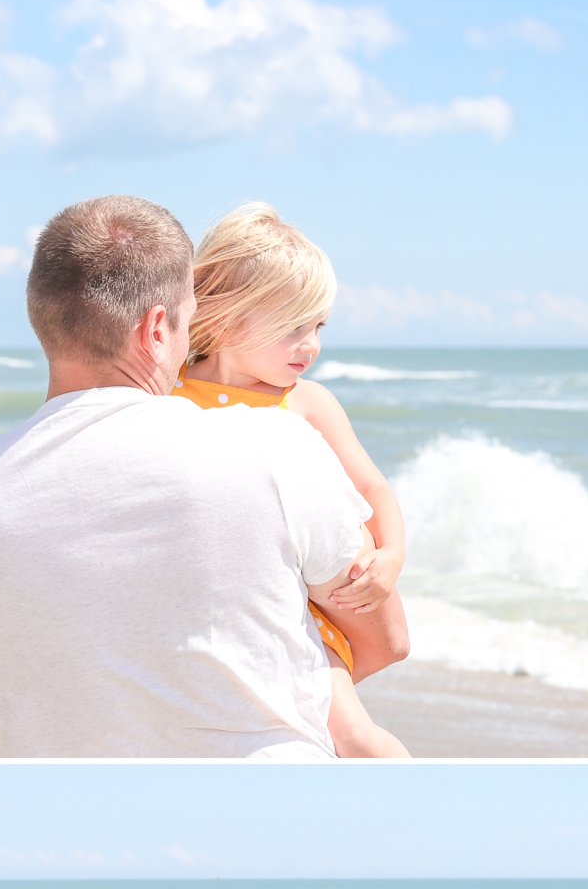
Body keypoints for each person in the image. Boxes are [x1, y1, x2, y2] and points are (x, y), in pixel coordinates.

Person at [0, 194, 381, 760]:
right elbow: (386, 638)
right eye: (189, 319)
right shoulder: (278, 444)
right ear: (155, 329)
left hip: (57, 827)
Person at [174, 204, 411, 759]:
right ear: (226, 317)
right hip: (218, 612)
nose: (312, 346)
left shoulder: (307, 403)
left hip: (301, 619)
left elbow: (373, 490)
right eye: (292, 327)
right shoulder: (166, 393)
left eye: (318, 326)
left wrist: (393, 555)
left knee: (354, 738)